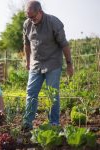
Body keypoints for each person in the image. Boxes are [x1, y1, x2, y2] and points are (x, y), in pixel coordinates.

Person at [22, 0, 74, 131]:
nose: (31, 20)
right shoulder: (27, 24)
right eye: (29, 17)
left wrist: (69, 64)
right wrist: (28, 61)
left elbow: (64, 44)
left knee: (52, 95)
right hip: (36, 64)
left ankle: (54, 123)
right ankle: (27, 123)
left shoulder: (53, 22)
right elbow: (27, 45)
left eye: (33, 17)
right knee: (31, 93)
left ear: (40, 12)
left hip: (53, 63)